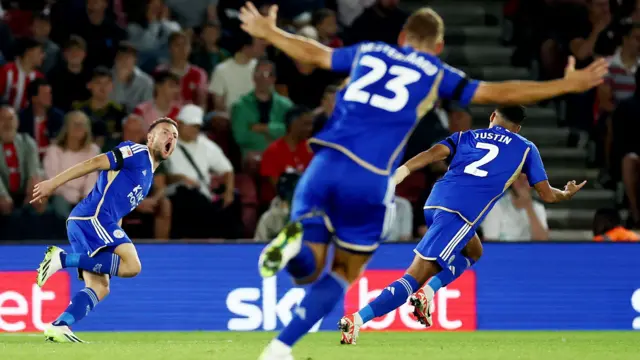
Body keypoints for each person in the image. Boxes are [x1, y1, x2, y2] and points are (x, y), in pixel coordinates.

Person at [238, 3, 607, 359]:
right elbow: (500, 94)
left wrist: (271, 33)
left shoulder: (373, 53)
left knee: (313, 266)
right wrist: (564, 85)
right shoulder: (448, 83)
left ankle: (293, 252)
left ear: (402, 36)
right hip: (382, 182)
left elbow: (315, 54)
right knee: (360, 270)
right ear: (440, 46)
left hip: (332, 164)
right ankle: (323, 332)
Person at [343, 106, 586, 343]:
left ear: (492, 116)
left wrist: (401, 173)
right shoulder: (526, 148)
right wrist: (566, 193)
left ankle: (428, 293)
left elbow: (432, 154)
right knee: (414, 277)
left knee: (474, 250)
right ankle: (356, 319)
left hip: (435, 202)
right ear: (518, 128)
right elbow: (547, 195)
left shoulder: (465, 136)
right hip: (460, 214)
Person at [32, 117, 179, 343]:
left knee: (100, 286)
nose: (171, 138)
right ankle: (62, 259)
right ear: (150, 138)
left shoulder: (149, 175)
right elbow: (95, 162)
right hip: (92, 218)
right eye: (165, 132)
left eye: (174, 136)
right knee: (132, 266)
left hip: (92, 222)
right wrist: (53, 183)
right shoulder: (138, 152)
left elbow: (117, 208)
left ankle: (60, 325)